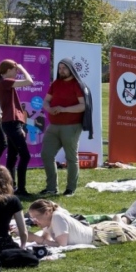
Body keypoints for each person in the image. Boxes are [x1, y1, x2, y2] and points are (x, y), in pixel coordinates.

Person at [29, 197, 136, 247]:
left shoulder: (57, 218)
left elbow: (62, 244)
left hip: (107, 235)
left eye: (36, 217)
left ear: (47, 212)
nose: (34, 221)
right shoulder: (53, 217)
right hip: (103, 231)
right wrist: (38, 235)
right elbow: (47, 234)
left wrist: (36, 239)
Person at [39, 58, 85, 197]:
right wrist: (49, 108)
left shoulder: (77, 85)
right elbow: (46, 100)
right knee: (46, 154)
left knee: (71, 158)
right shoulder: (55, 83)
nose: (61, 70)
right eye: (60, 68)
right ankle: (51, 187)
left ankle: (70, 189)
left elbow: (82, 106)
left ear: (71, 69)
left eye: (64, 68)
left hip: (71, 126)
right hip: (53, 126)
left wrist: (63, 109)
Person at [0, 59, 36, 197]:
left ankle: (11, 187)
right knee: (25, 156)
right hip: (11, 123)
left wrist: (22, 126)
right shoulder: (5, 82)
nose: (17, 72)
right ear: (7, 71)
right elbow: (30, 81)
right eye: (15, 70)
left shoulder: (5, 82)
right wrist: (22, 67)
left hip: (13, 123)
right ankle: (20, 188)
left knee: (12, 157)